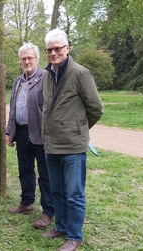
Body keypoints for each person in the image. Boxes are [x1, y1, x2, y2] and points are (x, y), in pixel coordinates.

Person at [41, 29, 103, 251]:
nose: (54, 53)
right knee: (57, 190)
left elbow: (96, 109)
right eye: (49, 49)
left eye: (58, 48)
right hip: (51, 146)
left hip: (73, 148)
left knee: (74, 193)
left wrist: (79, 131)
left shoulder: (80, 73)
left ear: (67, 48)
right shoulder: (47, 75)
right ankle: (62, 226)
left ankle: (75, 236)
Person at [5, 42, 55, 230]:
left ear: (37, 59)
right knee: (25, 170)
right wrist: (10, 131)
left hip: (42, 134)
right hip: (22, 132)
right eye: (24, 58)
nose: (27, 61)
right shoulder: (18, 81)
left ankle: (48, 211)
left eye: (30, 58)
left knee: (45, 175)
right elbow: (13, 109)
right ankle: (27, 202)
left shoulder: (46, 78)